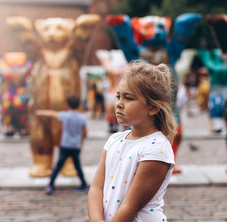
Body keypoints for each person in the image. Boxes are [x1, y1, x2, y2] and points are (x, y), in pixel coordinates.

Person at [87, 62, 177, 222]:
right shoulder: (114, 140)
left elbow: (130, 206)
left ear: (153, 107)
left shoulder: (156, 149)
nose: (119, 104)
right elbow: (96, 188)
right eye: (118, 96)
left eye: (128, 98)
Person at [35, 94, 88, 194]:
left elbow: (52, 114)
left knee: (58, 165)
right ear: (78, 104)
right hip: (76, 146)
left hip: (65, 145)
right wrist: (80, 141)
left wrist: (39, 112)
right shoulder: (82, 118)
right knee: (77, 166)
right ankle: (84, 184)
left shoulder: (66, 115)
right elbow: (85, 132)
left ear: (67, 105)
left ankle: (50, 185)